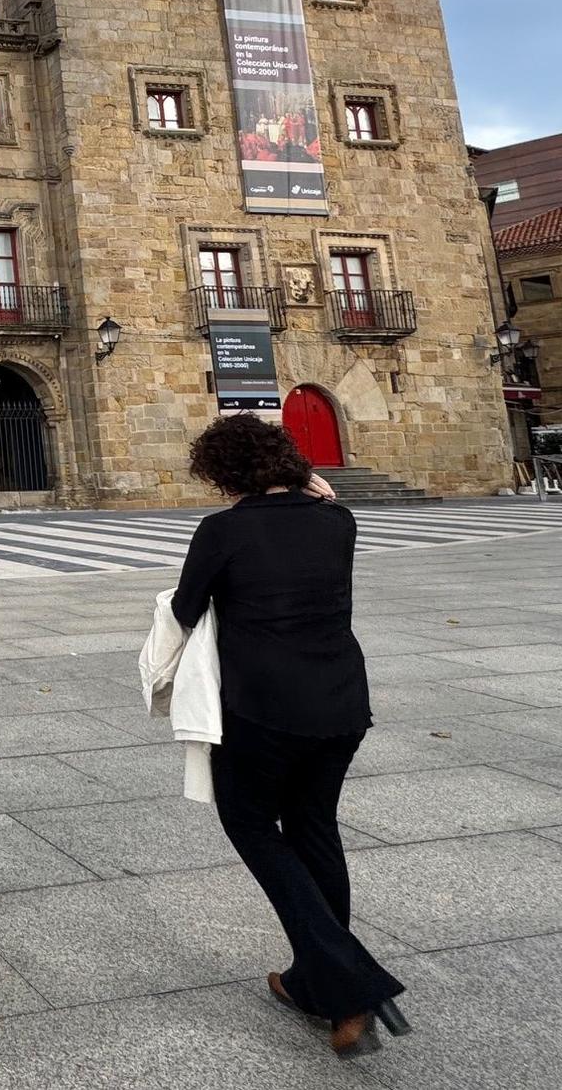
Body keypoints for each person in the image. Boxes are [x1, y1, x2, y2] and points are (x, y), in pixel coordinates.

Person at [173, 414, 409, 1054]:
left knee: (249, 821)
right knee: (313, 826)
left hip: (264, 709)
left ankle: (349, 978)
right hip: (341, 704)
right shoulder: (338, 521)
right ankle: (314, 984)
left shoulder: (223, 531)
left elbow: (185, 609)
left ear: (221, 473)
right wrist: (312, 486)